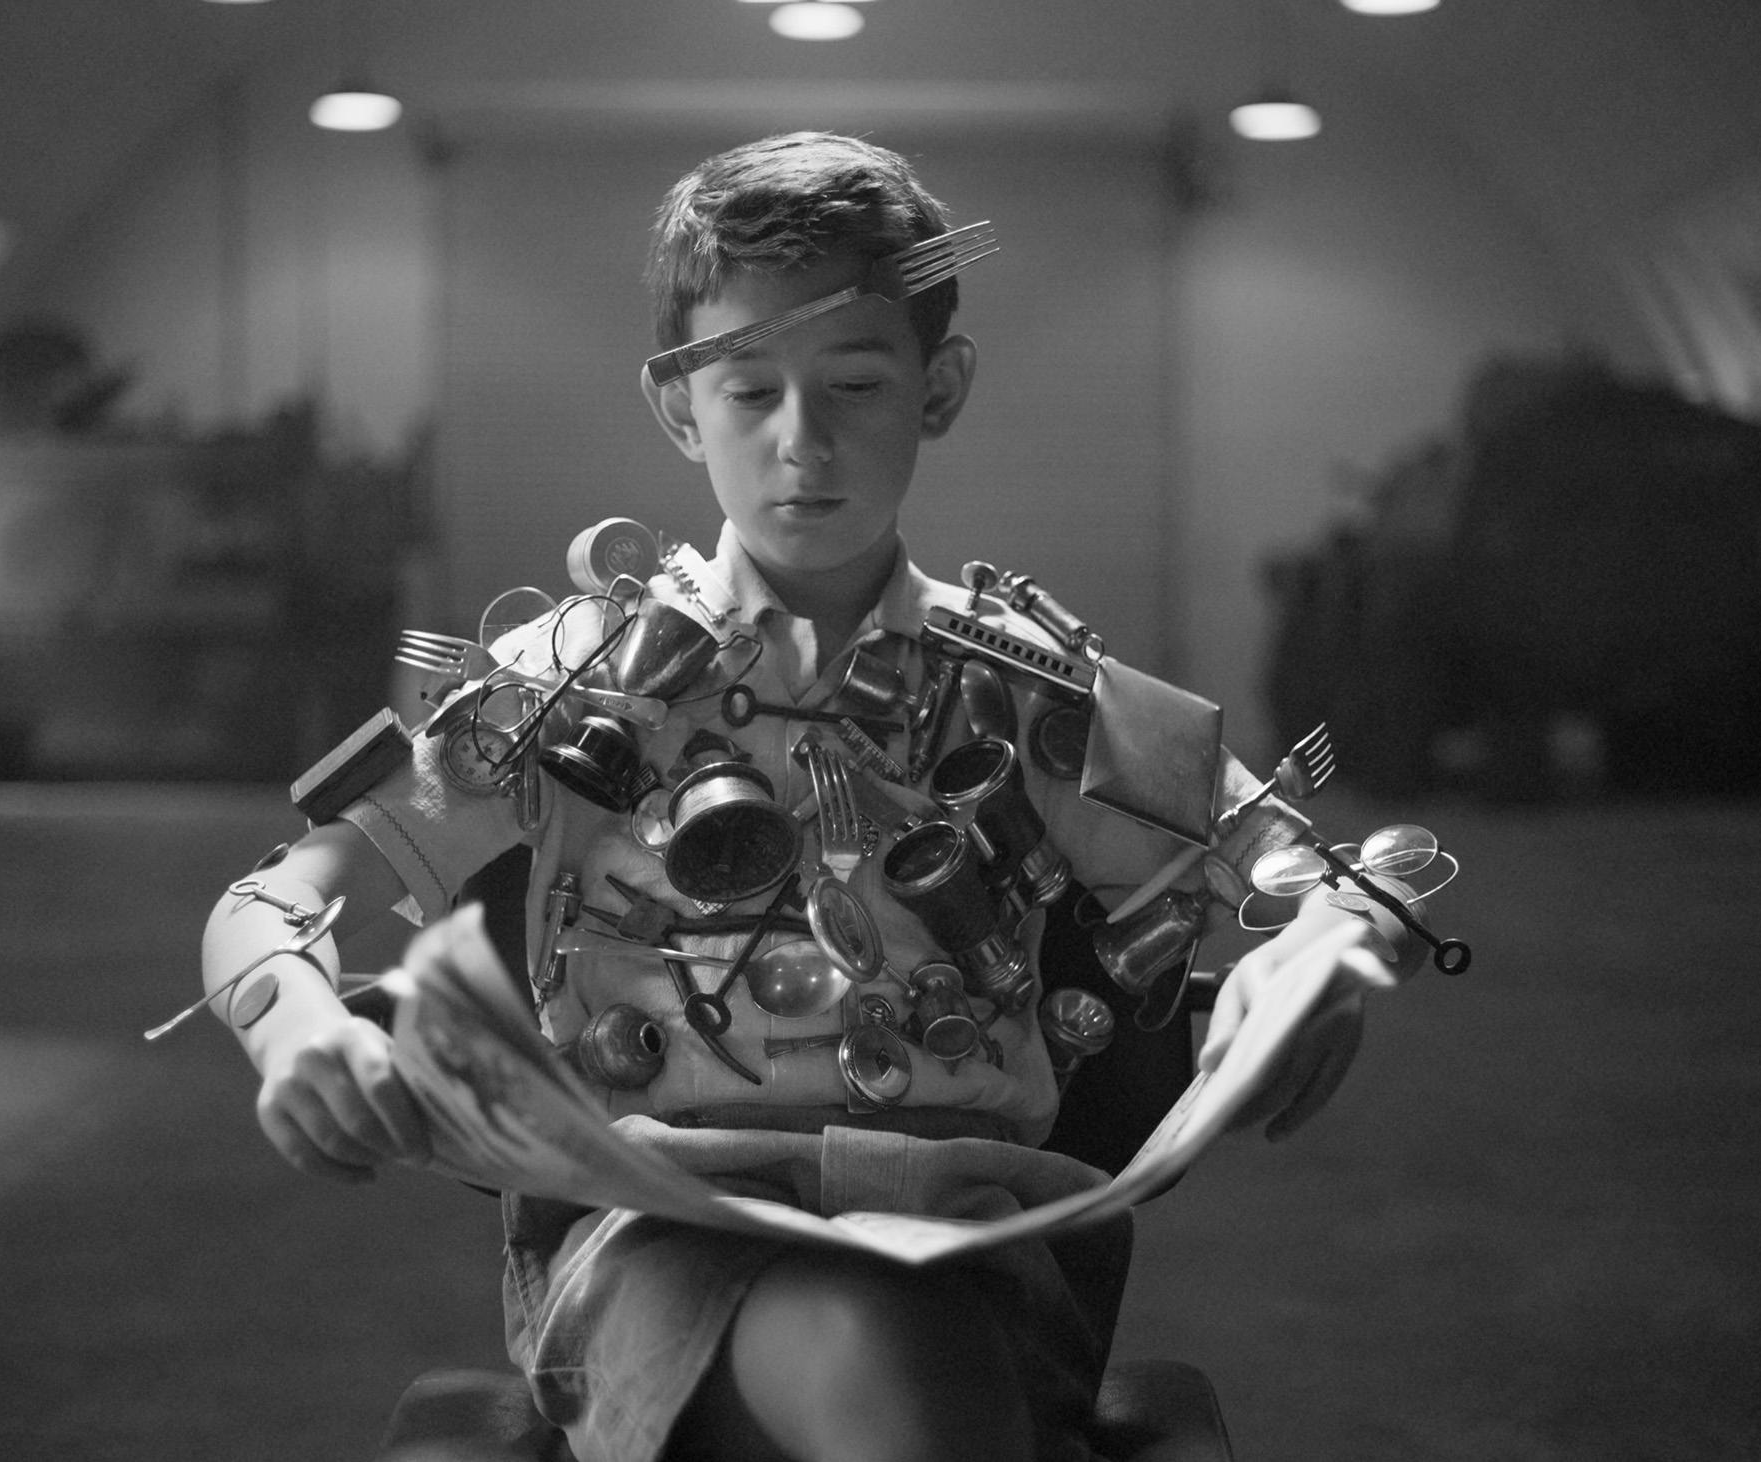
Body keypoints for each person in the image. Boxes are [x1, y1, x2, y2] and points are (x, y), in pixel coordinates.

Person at [200, 132, 1408, 1462]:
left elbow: (1314, 870)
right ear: (679, 408)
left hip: (971, 1242)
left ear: (939, 387)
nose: (803, 441)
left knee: (897, 1331)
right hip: (653, 1243)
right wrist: (292, 1021)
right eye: (749, 392)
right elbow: (277, 894)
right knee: (869, 1342)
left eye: (857, 383)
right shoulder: (565, 683)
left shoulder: (1028, 685)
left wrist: (1325, 947)